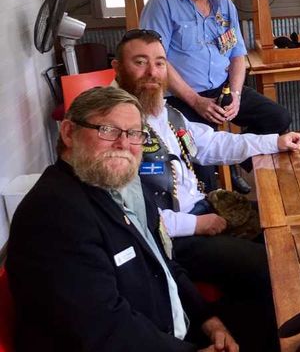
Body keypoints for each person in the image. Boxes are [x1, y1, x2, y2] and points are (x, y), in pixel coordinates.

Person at [112, 28, 300, 351]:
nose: (152, 73)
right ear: (117, 68)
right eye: (140, 63)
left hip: (207, 213)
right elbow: (129, 217)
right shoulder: (118, 131)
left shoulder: (167, 114)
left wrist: (275, 141)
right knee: (274, 265)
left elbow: (214, 143)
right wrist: (198, 224)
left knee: (286, 240)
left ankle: (252, 329)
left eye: (159, 63)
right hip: (176, 241)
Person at [6, 86, 238, 351]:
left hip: (167, 332)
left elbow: (163, 264)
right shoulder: (54, 215)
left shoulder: (122, 187)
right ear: (69, 133)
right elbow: (103, 329)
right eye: (108, 130)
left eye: (134, 134)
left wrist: (208, 320)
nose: (124, 144)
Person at [140, 0, 292, 191]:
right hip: (180, 97)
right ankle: (213, 200)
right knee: (199, 169)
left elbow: (237, 55)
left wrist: (236, 95)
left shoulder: (224, 4)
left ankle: (236, 161)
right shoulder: (162, 4)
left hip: (222, 90)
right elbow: (157, 62)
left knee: (277, 117)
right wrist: (195, 101)